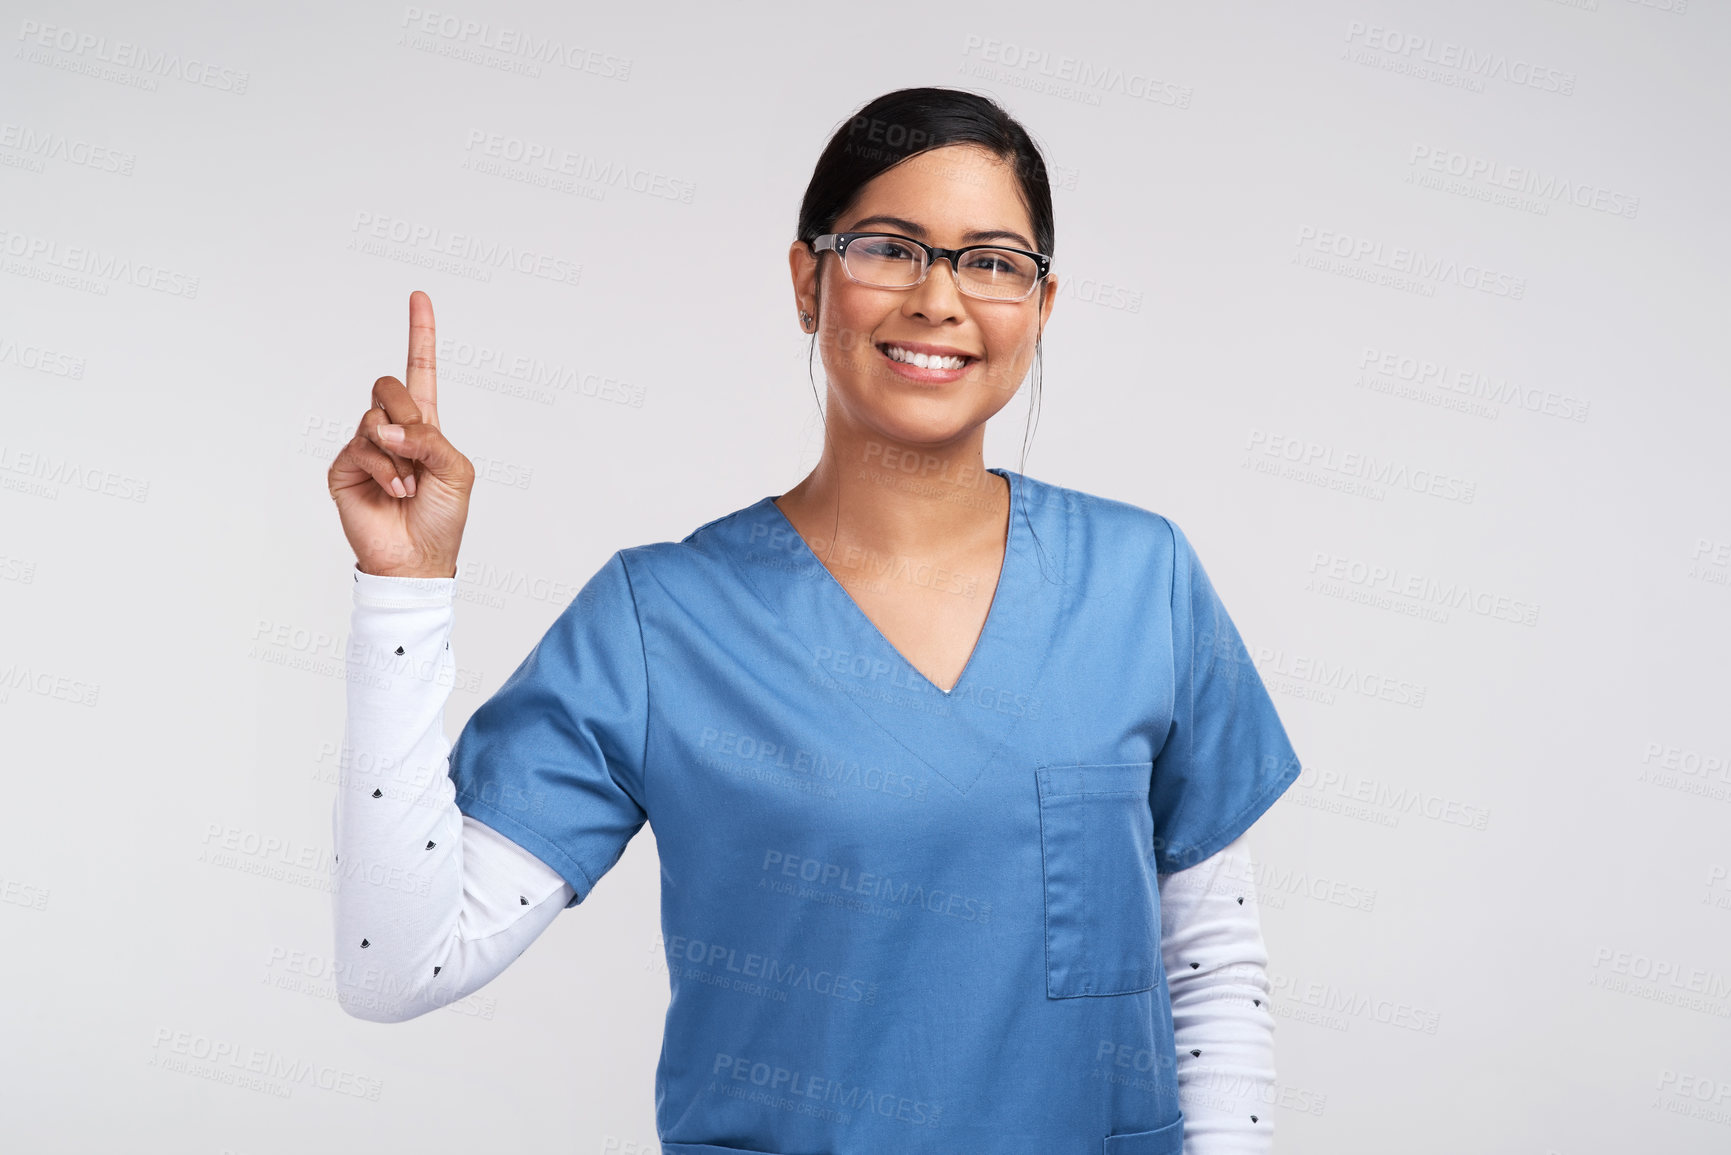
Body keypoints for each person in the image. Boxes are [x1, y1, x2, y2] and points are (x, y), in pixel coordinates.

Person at [327, 87, 1302, 1155]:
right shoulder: (664, 623)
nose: (941, 300)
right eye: (891, 248)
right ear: (808, 281)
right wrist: (405, 592)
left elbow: (1211, 967)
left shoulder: (1141, 582)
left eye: (991, 261)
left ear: (1042, 304)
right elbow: (396, 964)